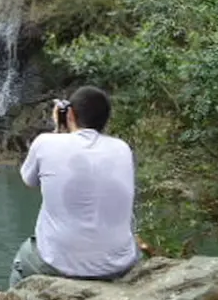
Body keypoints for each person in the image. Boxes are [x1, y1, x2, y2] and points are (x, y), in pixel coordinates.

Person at [8, 85, 139, 289]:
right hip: (119, 266)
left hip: (58, 264)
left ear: (68, 113)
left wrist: (58, 130)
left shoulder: (45, 143)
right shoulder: (122, 148)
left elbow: (29, 180)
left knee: (21, 262)